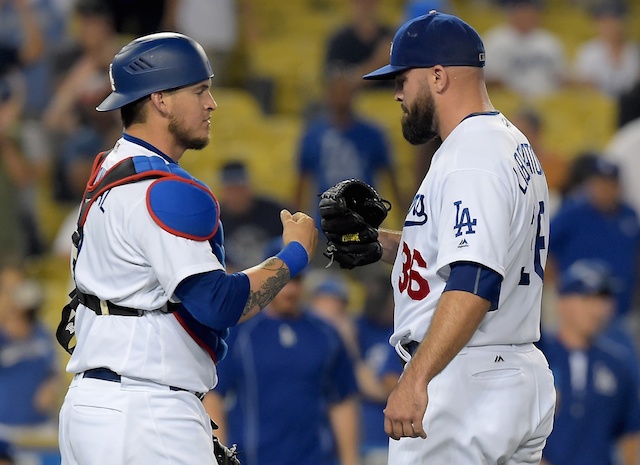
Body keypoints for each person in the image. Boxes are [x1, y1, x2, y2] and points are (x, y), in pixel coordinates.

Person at [56, 32, 318, 465]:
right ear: (160, 99)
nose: (211, 103)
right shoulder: (169, 190)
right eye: (199, 90)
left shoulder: (109, 170)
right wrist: (294, 255)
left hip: (91, 407)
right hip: (145, 412)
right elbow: (218, 304)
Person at [338, 11, 556, 463]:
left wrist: (416, 379)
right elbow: (460, 251)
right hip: (510, 371)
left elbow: (475, 278)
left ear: (438, 77)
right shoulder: (506, 142)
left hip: (465, 378)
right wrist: (376, 242)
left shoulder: (471, 156)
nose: (396, 92)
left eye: (403, 79)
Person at [205, 242, 360, 465]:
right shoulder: (240, 332)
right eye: (283, 280)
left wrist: (350, 461)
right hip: (252, 459)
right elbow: (214, 395)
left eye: (296, 280)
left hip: (314, 459)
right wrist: (219, 457)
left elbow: (343, 400)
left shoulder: (326, 335)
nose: (289, 289)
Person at [537, 259, 640, 465]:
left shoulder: (618, 365)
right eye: (587, 298)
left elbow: (630, 434)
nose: (597, 309)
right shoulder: (539, 356)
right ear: (562, 301)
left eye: (604, 299)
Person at [294, 66, 403, 235]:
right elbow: (302, 181)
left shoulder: (373, 134)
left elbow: (390, 178)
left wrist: (402, 214)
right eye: (337, 91)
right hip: (326, 227)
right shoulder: (313, 135)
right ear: (327, 94)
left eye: (345, 91)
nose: (341, 97)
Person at [0, 264, 61, 441]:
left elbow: (54, 371)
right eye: (8, 289)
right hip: (5, 429)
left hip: (41, 427)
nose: (14, 295)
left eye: (18, 286)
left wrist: (51, 387)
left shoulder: (41, 331)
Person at [482, 0, 567, 99]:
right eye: (522, 11)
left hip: (547, 101)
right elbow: (487, 79)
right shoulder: (494, 40)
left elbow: (561, 76)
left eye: (530, 11)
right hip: (508, 101)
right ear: (511, 13)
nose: (526, 15)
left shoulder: (550, 41)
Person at [217, 160, 288, 272]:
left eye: (240, 189)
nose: (236, 196)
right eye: (231, 190)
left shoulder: (274, 212)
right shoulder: (214, 219)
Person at [572, 0, 639, 99]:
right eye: (603, 21)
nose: (608, 25)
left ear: (624, 21)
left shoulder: (635, 51)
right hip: (598, 109)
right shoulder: (588, 52)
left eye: (613, 20)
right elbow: (581, 89)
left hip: (631, 110)